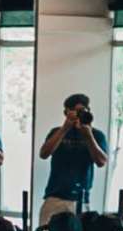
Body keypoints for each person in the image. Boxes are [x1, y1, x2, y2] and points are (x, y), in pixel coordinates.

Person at [39, 92, 103, 222]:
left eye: (82, 111)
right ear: (66, 112)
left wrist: (88, 135)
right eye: (75, 111)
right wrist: (65, 128)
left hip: (80, 199)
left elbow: (101, 161)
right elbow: (44, 154)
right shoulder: (56, 132)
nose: (79, 115)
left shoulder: (96, 135)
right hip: (55, 197)